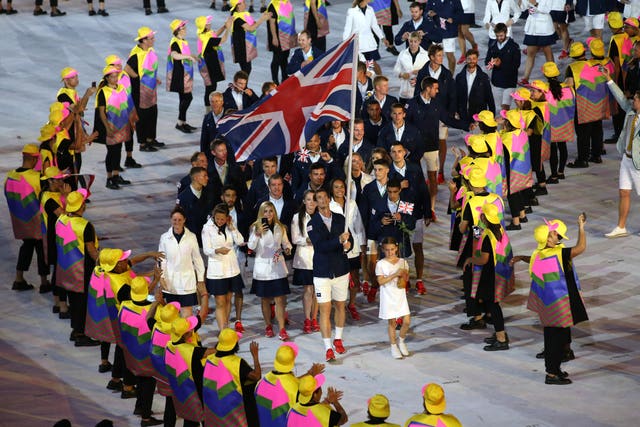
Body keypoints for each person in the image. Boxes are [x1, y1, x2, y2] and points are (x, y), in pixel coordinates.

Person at [511, 214, 588, 385]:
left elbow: (533, 260)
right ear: (547, 238)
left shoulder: (539, 253)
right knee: (555, 339)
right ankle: (552, 374)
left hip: (547, 303)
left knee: (553, 336)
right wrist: (581, 227)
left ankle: (556, 367)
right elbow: (581, 247)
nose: (557, 235)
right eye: (554, 234)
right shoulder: (559, 253)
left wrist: (521, 257)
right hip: (559, 302)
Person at [307, 189, 352, 361]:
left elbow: (350, 238)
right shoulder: (312, 224)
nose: (323, 200)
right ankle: (328, 347)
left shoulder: (341, 218)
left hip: (341, 269)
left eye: (325, 196)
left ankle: (338, 339)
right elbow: (320, 247)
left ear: (328, 199)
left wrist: (348, 244)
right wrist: (339, 241)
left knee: (340, 305)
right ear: (316, 202)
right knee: (325, 309)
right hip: (322, 273)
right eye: (319, 198)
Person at [55, 190, 100, 347]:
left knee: (74, 301)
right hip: (81, 271)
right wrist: (103, 263)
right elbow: (91, 251)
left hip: (65, 269)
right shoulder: (85, 226)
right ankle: (80, 334)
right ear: (82, 206)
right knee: (82, 303)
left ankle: (75, 330)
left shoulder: (60, 220)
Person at [468, 202, 515, 351]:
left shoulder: (488, 236)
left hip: (491, 276)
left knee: (493, 306)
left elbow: (483, 259)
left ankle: (501, 339)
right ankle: (499, 334)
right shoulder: (499, 229)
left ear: (484, 217)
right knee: (492, 305)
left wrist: (470, 260)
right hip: (499, 273)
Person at [117, 276, 163, 427]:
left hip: (131, 353)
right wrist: (158, 302)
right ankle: (145, 417)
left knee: (141, 381)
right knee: (149, 383)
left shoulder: (124, 305)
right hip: (147, 355)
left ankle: (139, 406)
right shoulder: (154, 311)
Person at [4, 144, 49, 292]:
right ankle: (44, 282)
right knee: (42, 249)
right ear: (34, 158)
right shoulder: (37, 178)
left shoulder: (9, 176)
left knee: (27, 246)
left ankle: (19, 278)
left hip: (20, 221)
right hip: (36, 221)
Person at [602, 68, 640, 238]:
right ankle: (621, 226)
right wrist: (608, 79)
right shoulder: (631, 112)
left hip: (638, 164)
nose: (633, 100)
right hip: (626, 158)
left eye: (636, 99)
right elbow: (621, 98)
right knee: (624, 192)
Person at [413, 44, 459, 183]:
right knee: (426, 142)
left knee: (441, 141)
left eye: (442, 55)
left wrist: (450, 114)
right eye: (439, 55)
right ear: (431, 57)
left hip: (441, 114)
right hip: (425, 114)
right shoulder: (422, 73)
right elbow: (417, 93)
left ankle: (440, 172)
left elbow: (452, 95)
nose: (441, 58)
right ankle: (428, 172)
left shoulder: (446, 74)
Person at [248, 201, 293, 340]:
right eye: (265, 211)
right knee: (265, 299)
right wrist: (257, 234)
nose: (268, 214)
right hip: (263, 269)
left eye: (271, 211)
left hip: (278, 267)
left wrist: (287, 249)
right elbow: (251, 246)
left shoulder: (280, 227)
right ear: (261, 213)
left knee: (280, 300)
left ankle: (282, 329)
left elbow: (286, 243)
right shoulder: (255, 227)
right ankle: (268, 326)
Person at [255, 342, 325, 427]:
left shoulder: (263, 381)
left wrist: (309, 374)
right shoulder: (296, 389)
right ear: (292, 362)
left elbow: (285, 382)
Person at [202, 329, 262, 427]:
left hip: (213, 410)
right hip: (232, 413)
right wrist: (255, 356)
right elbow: (256, 376)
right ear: (235, 346)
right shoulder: (237, 363)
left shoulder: (209, 359)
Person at [202, 204, 246, 331]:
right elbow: (206, 249)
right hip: (217, 271)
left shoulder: (229, 226)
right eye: (217, 219)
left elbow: (240, 241)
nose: (220, 221)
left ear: (227, 218)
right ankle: (223, 331)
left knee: (228, 300)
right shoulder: (207, 228)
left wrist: (232, 227)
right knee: (220, 302)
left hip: (231, 269)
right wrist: (217, 250)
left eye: (222, 219)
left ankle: (225, 326)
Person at [158, 206, 207, 318]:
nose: (177, 222)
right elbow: (161, 259)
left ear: (184, 220)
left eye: (180, 220)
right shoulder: (164, 238)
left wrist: (200, 280)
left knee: (187, 315)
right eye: (174, 220)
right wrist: (161, 277)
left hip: (187, 283)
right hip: (170, 283)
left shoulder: (191, 237)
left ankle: (187, 336)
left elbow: (197, 259)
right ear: (171, 220)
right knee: (171, 315)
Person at [165, 316, 213, 426]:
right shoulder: (191, 350)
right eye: (190, 330)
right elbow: (212, 351)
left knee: (190, 417)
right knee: (203, 416)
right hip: (195, 388)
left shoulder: (169, 344)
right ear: (185, 335)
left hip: (180, 387)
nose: (192, 330)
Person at [330, 178, 367, 321]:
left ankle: (352, 304)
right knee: (339, 278)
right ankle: (338, 305)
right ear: (331, 189)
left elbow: (358, 225)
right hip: (337, 246)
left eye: (342, 187)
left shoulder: (351, 203)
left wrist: (362, 244)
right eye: (336, 187)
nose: (339, 190)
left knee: (354, 277)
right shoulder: (330, 205)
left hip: (353, 247)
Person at [94, 65, 136, 190]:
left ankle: (116, 175)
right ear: (106, 78)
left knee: (118, 150)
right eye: (112, 77)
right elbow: (101, 112)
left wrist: (130, 121)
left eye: (116, 76)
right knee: (111, 152)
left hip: (123, 125)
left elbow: (126, 106)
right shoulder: (103, 92)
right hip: (111, 126)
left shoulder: (121, 88)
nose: (115, 78)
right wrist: (107, 127)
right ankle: (109, 178)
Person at [126, 26, 163, 153]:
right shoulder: (136, 54)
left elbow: (149, 68)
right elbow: (127, 69)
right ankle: (143, 143)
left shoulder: (150, 50)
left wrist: (154, 77)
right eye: (151, 38)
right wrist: (137, 78)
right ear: (144, 40)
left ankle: (150, 138)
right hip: (141, 90)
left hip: (151, 88)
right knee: (142, 116)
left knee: (153, 113)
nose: (154, 40)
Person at [40, 167, 71, 314]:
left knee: (58, 272)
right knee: (60, 273)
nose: (61, 181)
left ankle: (58, 303)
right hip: (55, 239)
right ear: (50, 181)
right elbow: (64, 216)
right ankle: (62, 305)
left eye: (61, 178)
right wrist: (67, 197)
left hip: (58, 237)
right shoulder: (49, 198)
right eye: (58, 179)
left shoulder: (52, 194)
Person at [104, 54, 142, 170]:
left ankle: (129, 158)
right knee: (117, 141)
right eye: (116, 64)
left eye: (120, 63)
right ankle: (116, 165)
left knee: (130, 135)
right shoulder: (108, 82)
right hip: (117, 114)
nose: (120, 66)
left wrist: (133, 110)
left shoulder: (125, 74)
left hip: (129, 109)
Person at [375, 237, 411, 359]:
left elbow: (406, 279)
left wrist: (405, 276)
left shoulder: (403, 262)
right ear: (383, 250)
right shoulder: (380, 264)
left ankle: (401, 341)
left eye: (392, 249)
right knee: (392, 323)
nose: (390, 252)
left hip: (400, 295)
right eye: (387, 250)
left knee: (406, 321)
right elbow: (380, 281)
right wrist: (395, 274)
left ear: (396, 248)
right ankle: (393, 345)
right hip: (388, 296)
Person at [291, 190, 321, 334]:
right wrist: (308, 240)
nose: (311, 202)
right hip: (304, 258)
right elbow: (295, 238)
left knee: (317, 290)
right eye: (308, 199)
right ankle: (307, 318)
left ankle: (314, 318)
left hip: (319, 258)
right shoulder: (298, 217)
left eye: (314, 200)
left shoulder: (321, 216)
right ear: (304, 201)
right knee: (308, 289)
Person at [541, 62, 575, 183]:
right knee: (563, 147)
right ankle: (561, 172)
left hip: (551, 124)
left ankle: (554, 175)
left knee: (553, 150)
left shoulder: (544, 90)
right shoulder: (567, 89)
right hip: (565, 122)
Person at [167, 19, 199, 133]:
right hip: (179, 74)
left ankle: (182, 122)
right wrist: (188, 57)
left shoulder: (182, 41)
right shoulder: (175, 42)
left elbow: (183, 53)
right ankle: (180, 122)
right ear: (178, 31)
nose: (185, 30)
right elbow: (175, 55)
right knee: (187, 97)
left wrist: (193, 56)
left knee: (183, 98)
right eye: (183, 28)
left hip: (185, 73)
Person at [343, 0, 389, 76]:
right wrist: (345, 43)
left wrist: (382, 38)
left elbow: (374, 25)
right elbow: (347, 28)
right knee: (362, 66)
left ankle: (380, 79)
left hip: (369, 44)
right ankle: (365, 84)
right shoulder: (352, 11)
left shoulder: (370, 9)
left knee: (372, 64)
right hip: (358, 45)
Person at [196, 15, 232, 110]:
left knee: (213, 85)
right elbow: (223, 40)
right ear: (205, 26)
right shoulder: (205, 38)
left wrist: (224, 27)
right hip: (207, 64)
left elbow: (215, 34)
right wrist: (228, 28)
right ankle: (208, 111)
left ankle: (210, 108)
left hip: (211, 61)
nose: (210, 23)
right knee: (210, 88)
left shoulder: (206, 33)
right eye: (208, 23)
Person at [485, 23, 521, 111]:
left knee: (505, 108)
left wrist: (501, 64)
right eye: (497, 36)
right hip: (497, 82)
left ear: (506, 33)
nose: (499, 38)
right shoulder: (493, 46)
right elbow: (487, 60)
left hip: (510, 82)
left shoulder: (514, 47)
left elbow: (516, 65)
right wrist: (491, 63)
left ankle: (506, 124)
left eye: (501, 35)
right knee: (499, 107)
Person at [454, 48, 496, 124]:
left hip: (479, 117)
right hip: (463, 116)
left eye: (474, 58)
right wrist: (455, 111)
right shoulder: (459, 77)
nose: (471, 61)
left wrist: (492, 115)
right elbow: (455, 95)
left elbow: (489, 97)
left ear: (477, 60)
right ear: (465, 60)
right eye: (469, 59)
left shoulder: (484, 77)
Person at [230, 0, 272, 75]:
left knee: (247, 69)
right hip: (241, 47)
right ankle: (242, 85)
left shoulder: (245, 14)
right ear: (238, 5)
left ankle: (244, 85)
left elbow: (254, 25)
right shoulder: (237, 18)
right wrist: (262, 19)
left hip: (246, 45)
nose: (245, 3)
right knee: (246, 70)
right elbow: (250, 28)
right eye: (243, 2)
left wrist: (263, 16)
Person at [520, 0, 556, 85]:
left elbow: (547, 9)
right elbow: (522, 8)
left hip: (544, 27)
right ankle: (525, 78)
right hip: (531, 28)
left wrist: (535, 3)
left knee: (548, 53)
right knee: (530, 53)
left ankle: (553, 77)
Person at [177, 166, 214, 247]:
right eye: (204, 176)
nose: (207, 178)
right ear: (196, 178)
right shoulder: (183, 198)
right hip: (191, 240)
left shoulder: (209, 193)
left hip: (207, 239)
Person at [426, 0, 464, 73]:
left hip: (449, 31)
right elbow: (426, 12)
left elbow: (460, 12)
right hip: (436, 31)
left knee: (450, 55)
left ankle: (450, 77)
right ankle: (435, 75)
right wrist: (429, 13)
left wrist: (453, 19)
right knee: (434, 56)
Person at [393, 32, 429, 104]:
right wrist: (401, 74)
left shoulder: (426, 55)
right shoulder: (402, 54)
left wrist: (420, 72)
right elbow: (396, 70)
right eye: (410, 41)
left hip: (420, 91)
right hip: (405, 91)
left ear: (419, 41)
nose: (412, 44)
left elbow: (429, 71)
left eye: (415, 41)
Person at [267, 0, 296, 84]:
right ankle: (275, 80)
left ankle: (284, 77)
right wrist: (274, 37)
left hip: (288, 35)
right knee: (277, 59)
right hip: (278, 36)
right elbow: (271, 23)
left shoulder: (288, 2)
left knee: (285, 57)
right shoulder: (273, 5)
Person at [200, 92, 227, 156]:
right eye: (212, 101)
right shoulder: (207, 118)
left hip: (226, 152)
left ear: (222, 102)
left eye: (217, 101)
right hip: (212, 153)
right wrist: (203, 153)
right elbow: (204, 138)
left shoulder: (228, 116)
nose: (214, 104)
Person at [456, 0, 478, 65]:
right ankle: (463, 55)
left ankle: (474, 45)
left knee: (464, 31)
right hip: (456, 8)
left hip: (467, 9)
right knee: (459, 31)